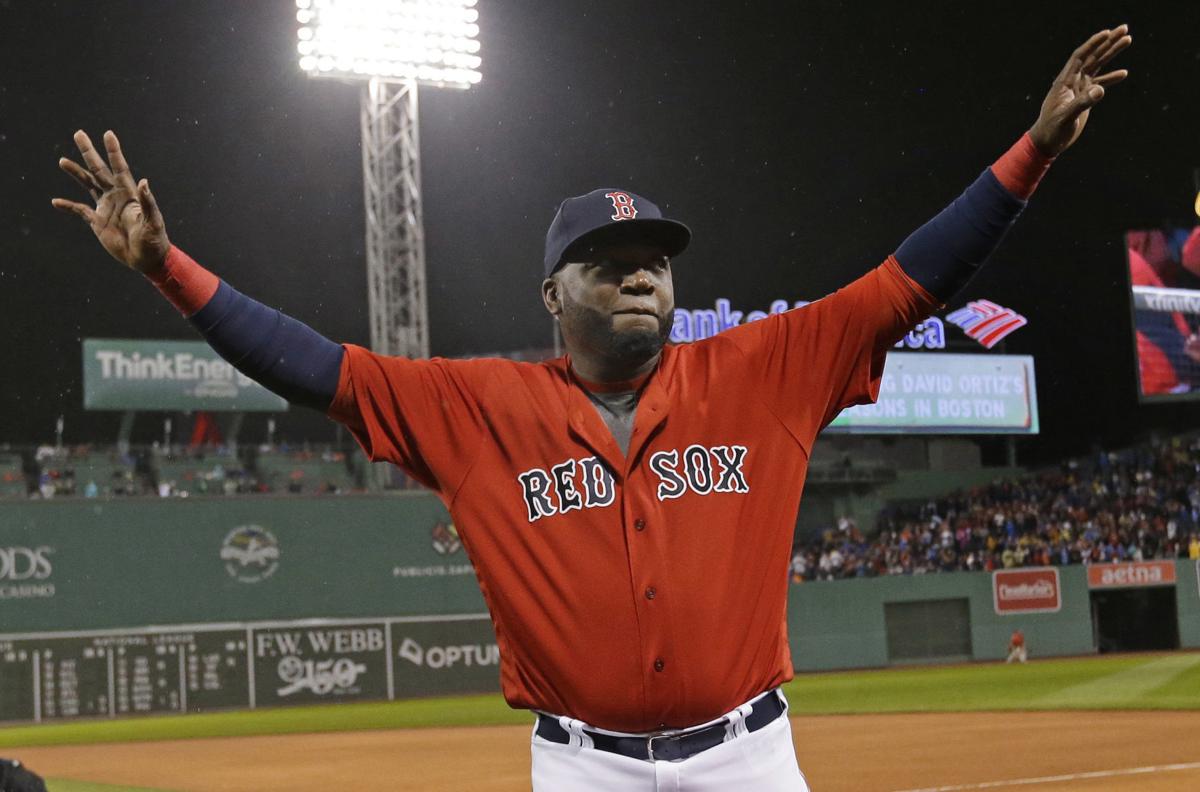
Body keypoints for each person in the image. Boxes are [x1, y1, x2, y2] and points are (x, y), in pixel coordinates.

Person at [52, 26, 1130, 792]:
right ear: (551, 297)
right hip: (579, 770)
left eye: (656, 261)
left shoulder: (768, 370)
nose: (640, 277)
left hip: (751, 760)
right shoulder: (474, 408)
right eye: (607, 262)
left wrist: (1031, 152)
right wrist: (168, 271)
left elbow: (913, 279)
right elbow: (310, 366)